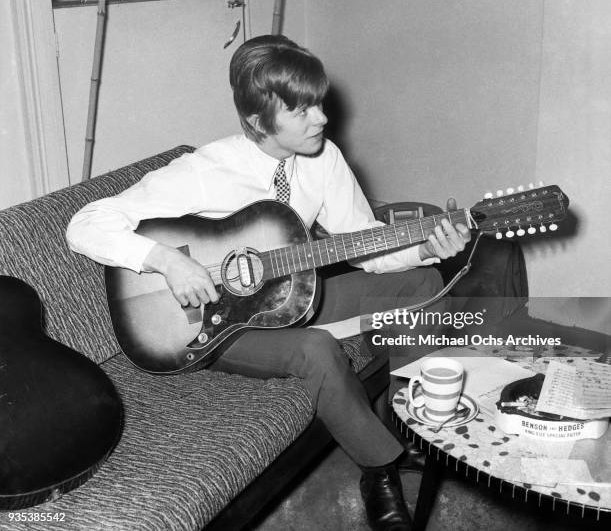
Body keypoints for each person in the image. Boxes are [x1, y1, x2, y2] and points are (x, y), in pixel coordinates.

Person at [67, 34, 470, 531]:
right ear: (259, 122)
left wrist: (427, 246)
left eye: (318, 103)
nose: (320, 118)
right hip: (212, 328)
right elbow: (85, 223)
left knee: (425, 283)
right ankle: (378, 469)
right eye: (301, 111)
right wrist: (166, 260)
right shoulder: (205, 171)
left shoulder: (323, 159)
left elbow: (361, 242)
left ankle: (409, 424)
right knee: (317, 349)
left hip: (289, 300)